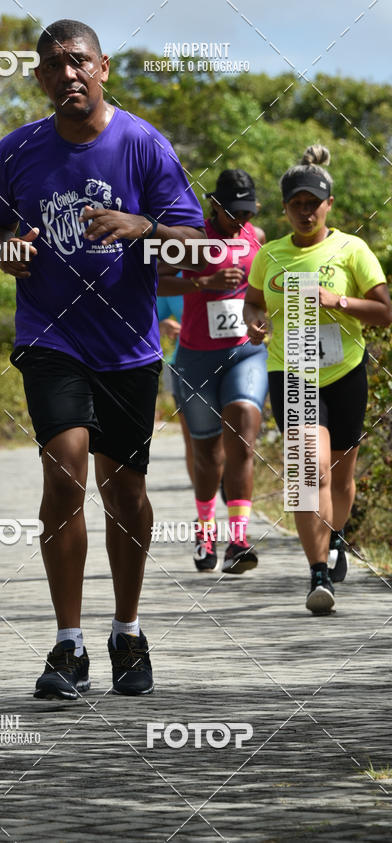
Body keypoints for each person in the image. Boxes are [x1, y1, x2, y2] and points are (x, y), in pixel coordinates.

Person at [0, 19, 206, 699]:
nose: (66, 73)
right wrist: (1, 249)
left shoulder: (142, 143)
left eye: (77, 60)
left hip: (127, 345)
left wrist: (145, 226)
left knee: (125, 492)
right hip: (50, 337)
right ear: (39, 77)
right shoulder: (18, 150)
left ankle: (127, 632)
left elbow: (196, 244)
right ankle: (68, 644)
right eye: (52, 64)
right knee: (64, 470)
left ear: (102, 67)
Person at [244, 145, 392, 613]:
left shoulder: (352, 249)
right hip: (291, 370)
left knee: (341, 479)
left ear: (329, 204)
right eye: (297, 204)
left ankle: (337, 534)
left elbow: (385, 312)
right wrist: (254, 321)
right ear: (285, 208)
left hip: (344, 372)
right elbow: (253, 302)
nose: (306, 212)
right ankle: (318, 571)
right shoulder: (269, 255)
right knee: (308, 469)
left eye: (314, 203)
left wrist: (338, 301)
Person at [159, 169, 268, 573]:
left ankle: (238, 540)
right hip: (196, 358)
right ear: (215, 206)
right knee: (207, 454)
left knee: (243, 438)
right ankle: (205, 531)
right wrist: (204, 281)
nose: (240, 220)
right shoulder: (192, 239)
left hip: (246, 353)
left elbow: (263, 295)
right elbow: (156, 282)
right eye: (232, 212)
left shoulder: (258, 239)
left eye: (247, 212)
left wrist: (262, 320)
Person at [157, 286, 195, 487]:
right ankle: (204, 501)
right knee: (193, 437)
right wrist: (162, 324)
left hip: (230, 360)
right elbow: (147, 318)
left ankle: (229, 489)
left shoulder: (233, 270)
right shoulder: (173, 276)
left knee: (229, 431)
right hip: (183, 363)